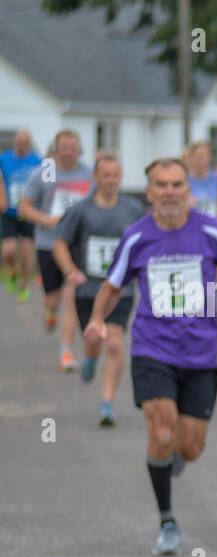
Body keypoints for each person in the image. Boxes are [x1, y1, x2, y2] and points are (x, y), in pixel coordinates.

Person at [85, 157, 217, 556]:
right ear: (149, 192)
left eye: (177, 184)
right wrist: (96, 319)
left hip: (200, 354)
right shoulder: (137, 237)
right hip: (152, 348)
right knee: (162, 431)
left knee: (191, 447)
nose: (170, 192)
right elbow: (112, 286)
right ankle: (167, 521)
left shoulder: (212, 232)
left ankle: (173, 457)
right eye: (161, 185)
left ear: (188, 190)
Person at [51, 151, 146, 426]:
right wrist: (70, 270)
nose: (111, 180)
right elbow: (59, 242)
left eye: (115, 175)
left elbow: (143, 244)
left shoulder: (133, 209)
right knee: (93, 341)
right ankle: (90, 360)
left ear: (121, 177)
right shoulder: (81, 210)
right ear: (95, 177)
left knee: (115, 342)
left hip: (121, 290)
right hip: (88, 291)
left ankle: (107, 404)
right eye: (105, 175)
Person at [19, 130, 92, 366]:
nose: (69, 151)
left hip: (77, 246)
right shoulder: (46, 173)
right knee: (53, 299)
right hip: (49, 243)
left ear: (79, 149)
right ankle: (50, 312)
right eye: (64, 146)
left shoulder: (89, 174)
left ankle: (66, 352)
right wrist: (46, 220)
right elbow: (24, 208)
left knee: (73, 294)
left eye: (73, 147)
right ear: (56, 148)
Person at [1, 129, 42, 302]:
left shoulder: (38, 161)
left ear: (29, 143)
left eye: (25, 141)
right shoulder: (4, 159)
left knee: (27, 251)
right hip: (9, 211)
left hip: (30, 212)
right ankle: (14, 270)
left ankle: (24, 286)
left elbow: (47, 184)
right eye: (19, 141)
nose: (21, 144)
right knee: (8, 250)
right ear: (14, 142)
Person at [184, 141, 217, 219]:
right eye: (200, 156)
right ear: (191, 158)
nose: (203, 160)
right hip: (191, 221)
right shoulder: (184, 179)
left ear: (210, 158)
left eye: (206, 156)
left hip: (212, 222)